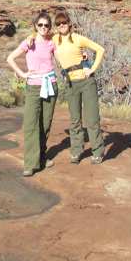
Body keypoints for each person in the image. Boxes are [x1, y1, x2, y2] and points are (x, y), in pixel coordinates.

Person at [7, 11, 59, 177]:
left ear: (49, 27)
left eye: (46, 25)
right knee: (31, 124)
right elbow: (10, 58)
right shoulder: (29, 41)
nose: (43, 28)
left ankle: (42, 158)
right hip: (34, 86)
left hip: (50, 85)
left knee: (45, 123)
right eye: (40, 25)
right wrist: (22, 74)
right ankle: (30, 164)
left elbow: (61, 57)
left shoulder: (52, 42)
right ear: (35, 26)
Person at [51, 11, 106, 164]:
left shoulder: (78, 38)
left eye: (64, 22)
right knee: (75, 120)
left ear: (69, 23)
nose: (61, 25)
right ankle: (76, 151)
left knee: (92, 119)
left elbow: (100, 50)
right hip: (70, 83)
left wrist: (92, 68)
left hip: (86, 81)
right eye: (58, 23)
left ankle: (97, 151)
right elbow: (38, 37)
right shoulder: (55, 39)